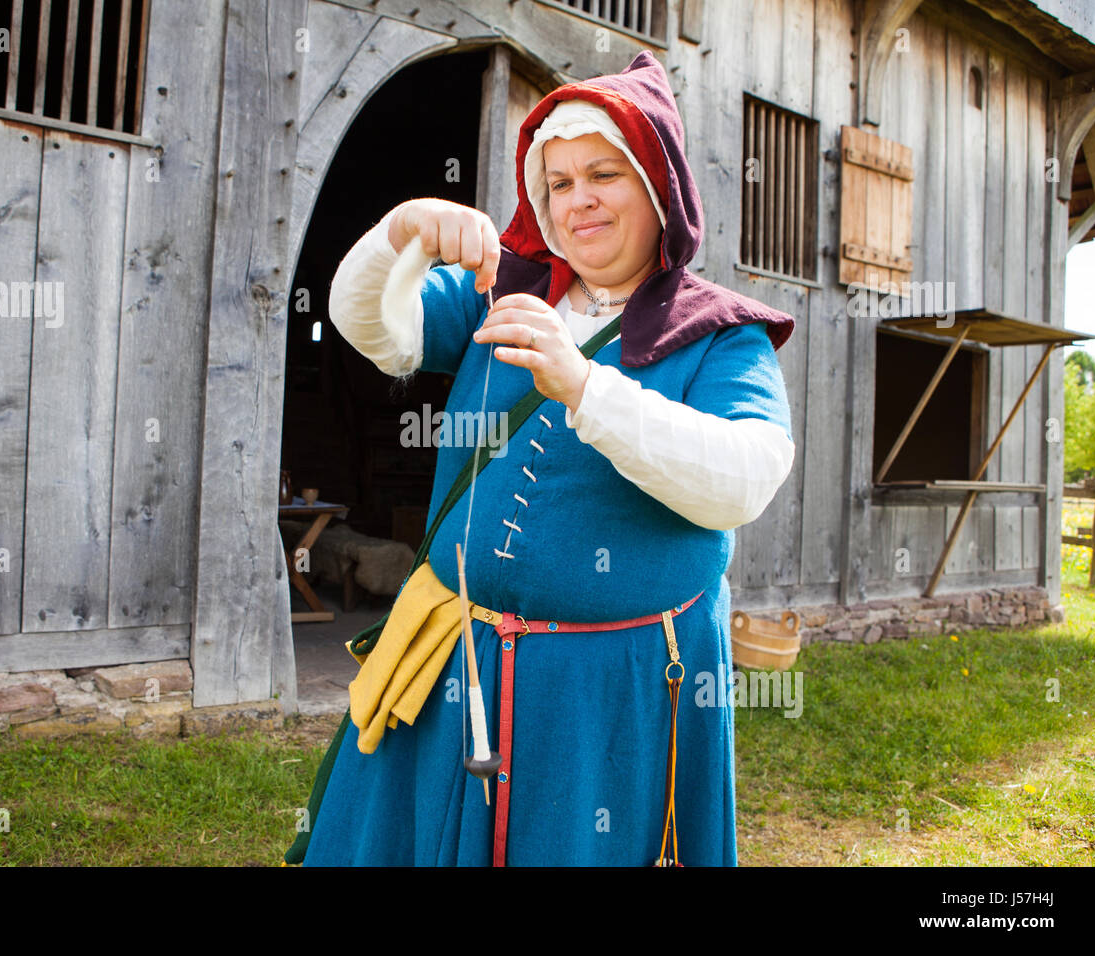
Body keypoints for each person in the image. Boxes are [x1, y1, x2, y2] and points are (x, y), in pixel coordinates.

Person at [291, 51, 795, 866]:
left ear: (657, 187)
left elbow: (745, 478)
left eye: (604, 173)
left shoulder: (718, 334)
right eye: (558, 182)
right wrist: (400, 237)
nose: (578, 200)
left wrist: (585, 386)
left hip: (604, 693)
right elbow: (374, 333)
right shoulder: (509, 293)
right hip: (452, 654)